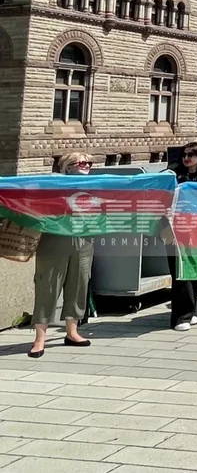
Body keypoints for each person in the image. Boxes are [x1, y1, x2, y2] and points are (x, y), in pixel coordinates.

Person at [28, 153, 97, 357]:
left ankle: (72, 332)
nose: (86, 166)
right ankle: (39, 339)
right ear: (67, 167)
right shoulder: (53, 185)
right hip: (54, 241)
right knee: (47, 287)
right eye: (81, 162)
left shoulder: (95, 186)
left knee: (78, 286)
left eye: (89, 163)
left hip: (83, 241)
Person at [166, 143, 197, 331]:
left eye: (191, 154)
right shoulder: (172, 175)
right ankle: (179, 317)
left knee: (194, 272)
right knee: (180, 273)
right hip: (175, 230)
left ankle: (190, 311)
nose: (187, 158)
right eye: (184, 154)